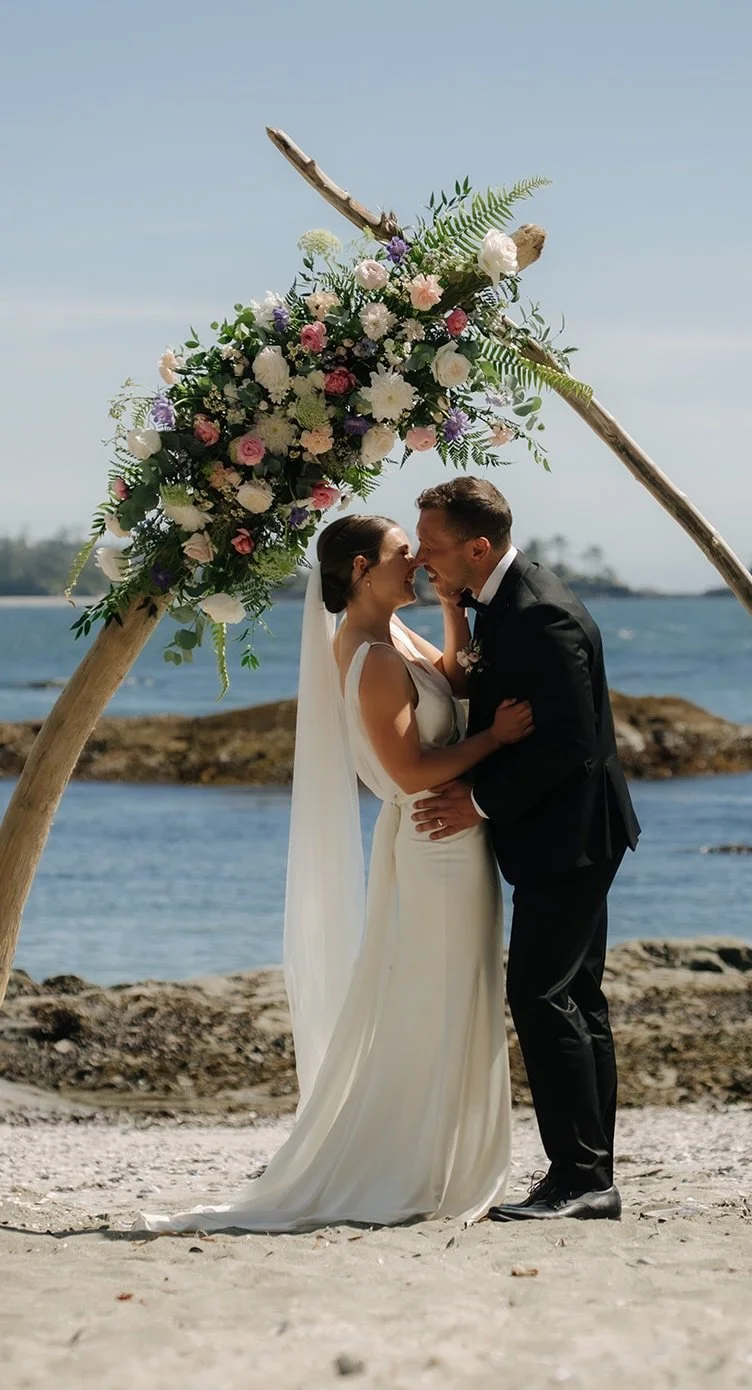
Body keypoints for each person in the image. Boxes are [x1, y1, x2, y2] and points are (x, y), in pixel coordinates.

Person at [138, 515, 531, 1232]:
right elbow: (408, 769)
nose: (414, 559)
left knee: (451, 997)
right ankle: (411, 1166)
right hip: (435, 843)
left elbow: (450, 677)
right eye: (399, 554)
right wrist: (493, 741)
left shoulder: (389, 638)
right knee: (439, 1002)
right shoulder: (372, 657)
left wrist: (448, 608)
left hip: (445, 843)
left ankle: (435, 1156)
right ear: (359, 569)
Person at [412, 477, 640, 1222]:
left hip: (568, 835)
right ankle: (586, 1176)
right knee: (573, 997)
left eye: (433, 547)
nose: (420, 559)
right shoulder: (508, 601)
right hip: (567, 831)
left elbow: (571, 744)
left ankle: (580, 1179)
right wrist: (456, 620)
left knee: (540, 996)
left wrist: (478, 801)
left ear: (478, 547)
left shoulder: (541, 614)